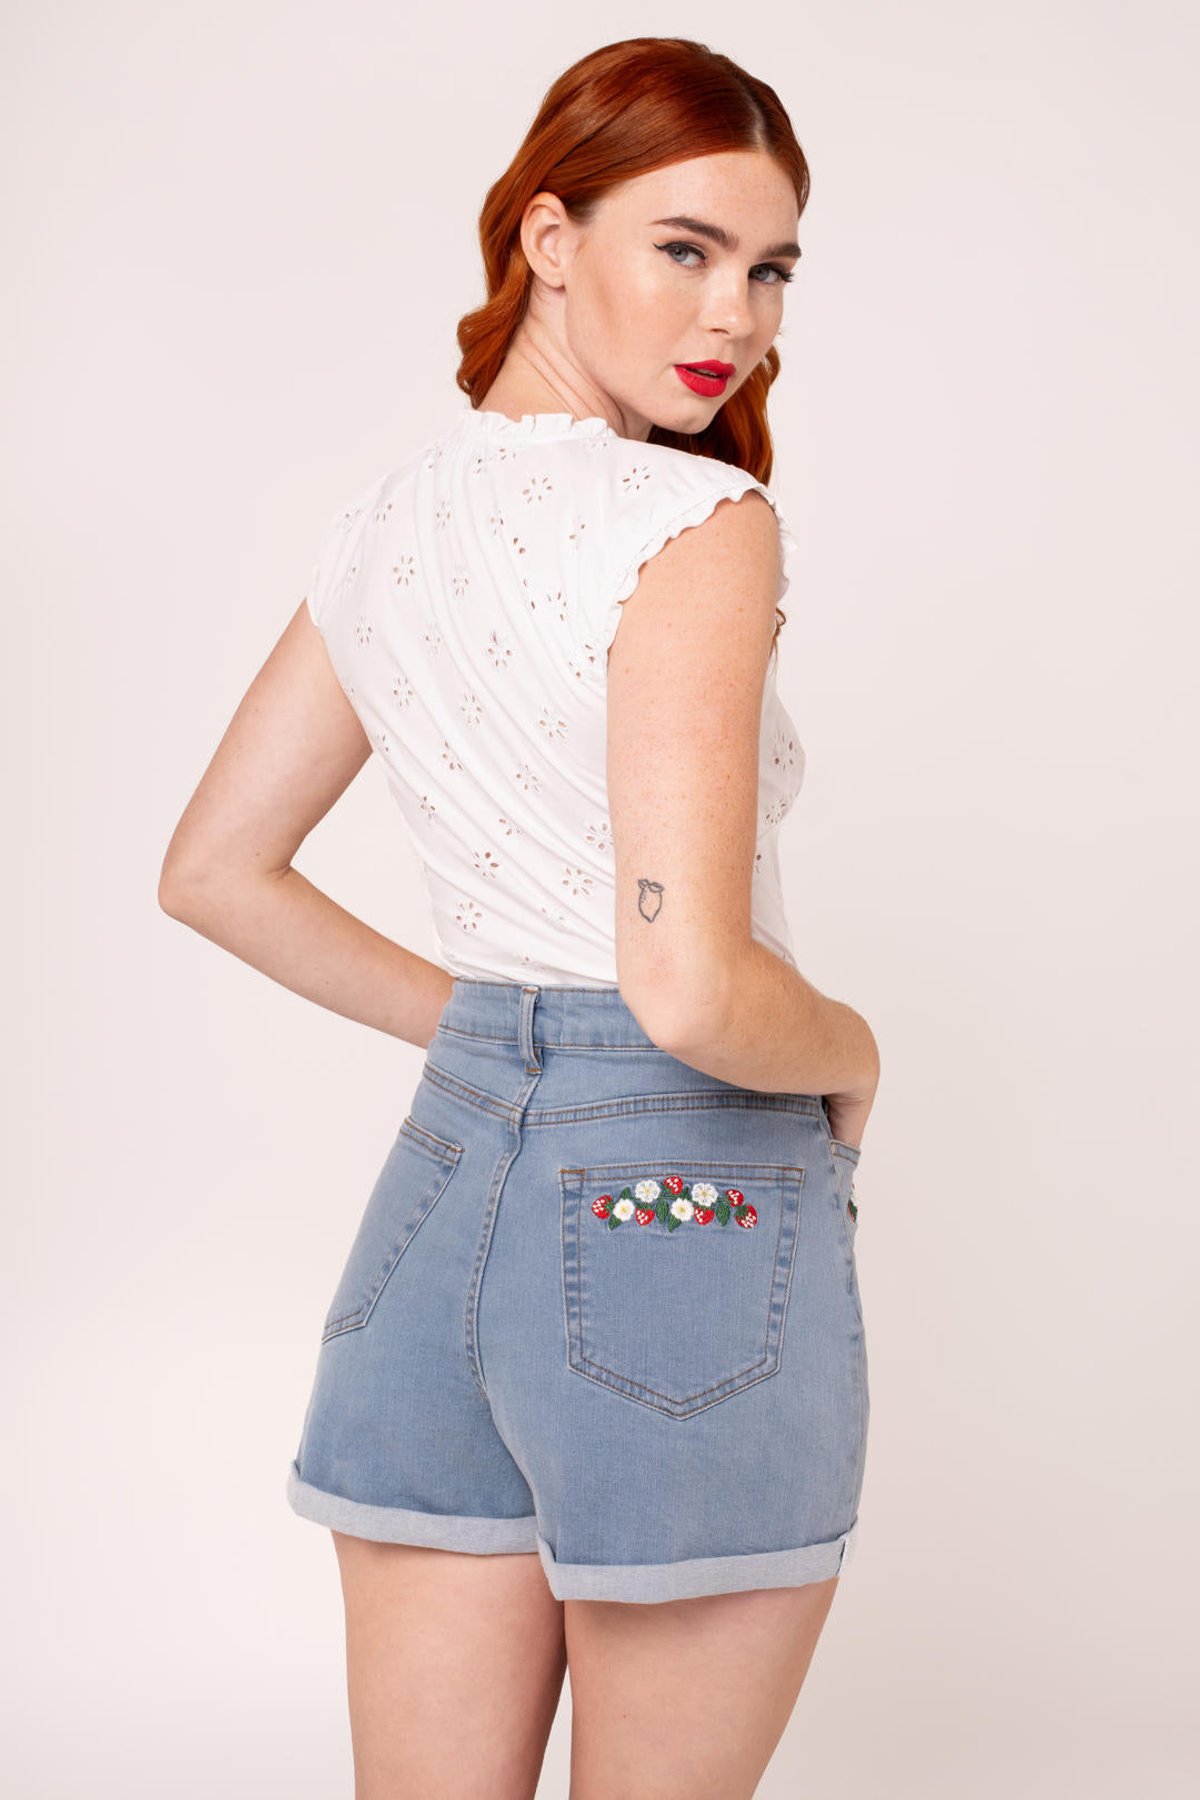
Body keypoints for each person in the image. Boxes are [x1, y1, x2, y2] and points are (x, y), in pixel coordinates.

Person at [159, 35, 880, 1800]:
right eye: (685, 248)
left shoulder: (388, 527)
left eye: (770, 268)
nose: (736, 316)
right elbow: (689, 989)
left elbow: (214, 869)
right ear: (550, 239)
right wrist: (852, 1056)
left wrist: (505, 1048)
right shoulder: (694, 518)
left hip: (445, 1194)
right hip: (680, 1203)